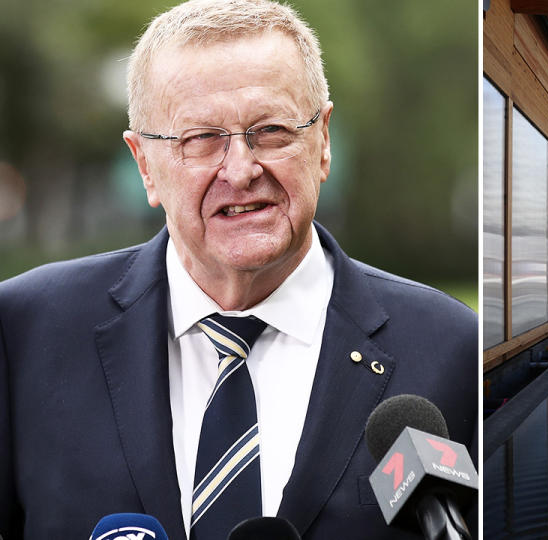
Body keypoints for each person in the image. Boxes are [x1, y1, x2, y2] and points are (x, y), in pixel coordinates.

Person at [0, 1, 477, 539]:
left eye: (271, 130)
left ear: (323, 141)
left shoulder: (451, 350)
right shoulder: (24, 333)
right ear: (144, 166)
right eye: (200, 139)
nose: (242, 169)